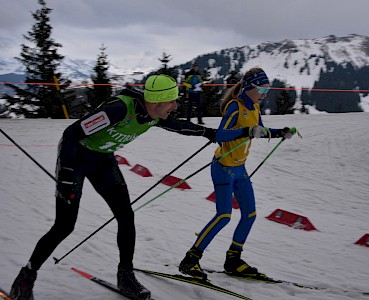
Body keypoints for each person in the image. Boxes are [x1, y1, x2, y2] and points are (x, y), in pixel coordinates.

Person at [10, 74, 217, 300]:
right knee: (65, 225)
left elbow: (178, 125)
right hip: (76, 158)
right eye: (172, 101)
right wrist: (67, 176)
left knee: (126, 216)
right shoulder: (118, 110)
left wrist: (210, 133)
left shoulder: (154, 115)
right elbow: (71, 134)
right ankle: (25, 277)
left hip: (102, 160)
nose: (176, 106)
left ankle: (125, 276)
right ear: (157, 101)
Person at [179, 67, 294, 280]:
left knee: (250, 215)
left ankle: (233, 259)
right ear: (249, 87)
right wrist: (245, 131)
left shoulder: (254, 107)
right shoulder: (234, 106)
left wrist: (280, 133)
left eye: (267, 90)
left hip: (240, 169)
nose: (264, 93)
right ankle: (190, 259)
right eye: (261, 88)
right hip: (223, 167)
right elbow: (221, 135)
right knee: (223, 215)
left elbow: (259, 131)